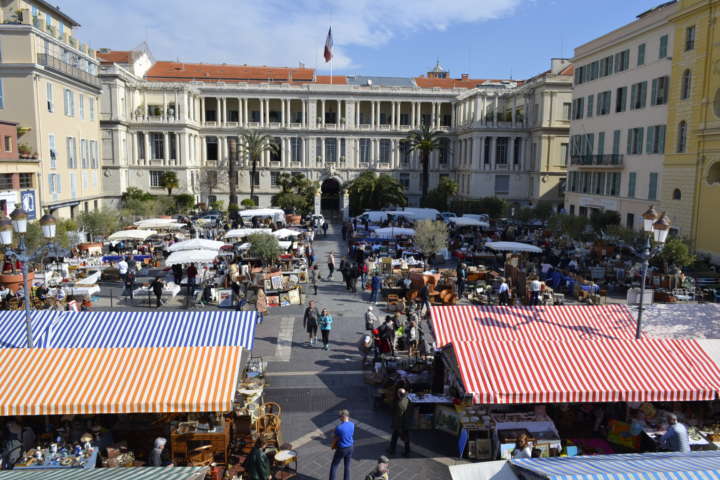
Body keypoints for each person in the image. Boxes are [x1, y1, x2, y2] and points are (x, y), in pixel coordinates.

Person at [329, 409, 354, 480]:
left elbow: (333, 436)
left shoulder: (339, 427)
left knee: (334, 465)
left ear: (343, 416)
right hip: (351, 447)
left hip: (342, 449)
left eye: (340, 416)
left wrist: (334, 431)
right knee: (347, 466)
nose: (339, 418)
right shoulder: (352, 425)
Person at [388, 388, 410, 457]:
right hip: (406, 423)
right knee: (405, 438)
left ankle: (393, 450)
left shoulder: (399, 404)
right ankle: (406, 451)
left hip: (400, 424)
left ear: (399, 394)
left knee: (396, 437)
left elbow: (399, 416)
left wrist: (399, 427)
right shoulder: (406, 399)